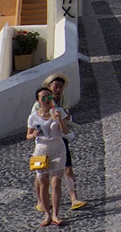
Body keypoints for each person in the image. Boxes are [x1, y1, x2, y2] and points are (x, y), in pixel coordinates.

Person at [36, 73, 86, 213]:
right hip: (43, 142)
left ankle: (74, 199)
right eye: (56, 86)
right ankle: (40, 200)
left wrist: (62, 114)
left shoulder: (62, 100)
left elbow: (68, 116)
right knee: (40, 173)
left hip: (60, 138)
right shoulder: (38, 103)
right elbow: (35, 122)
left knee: (68, 168)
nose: (58, 90)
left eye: (61, 87)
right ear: (49, 87)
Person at [27, 85, 69, 226]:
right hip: (41, 151)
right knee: (43, 183)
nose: (47, 99)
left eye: (49, 96)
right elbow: (28, 135)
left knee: (56, 182)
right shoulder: (33, 117)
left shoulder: (59, 112)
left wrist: (59, 119)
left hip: (57, 149)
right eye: (44, 97)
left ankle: (56, 214)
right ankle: (47, 215)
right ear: (38, 101)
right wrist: (33, 135)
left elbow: (66, 131)